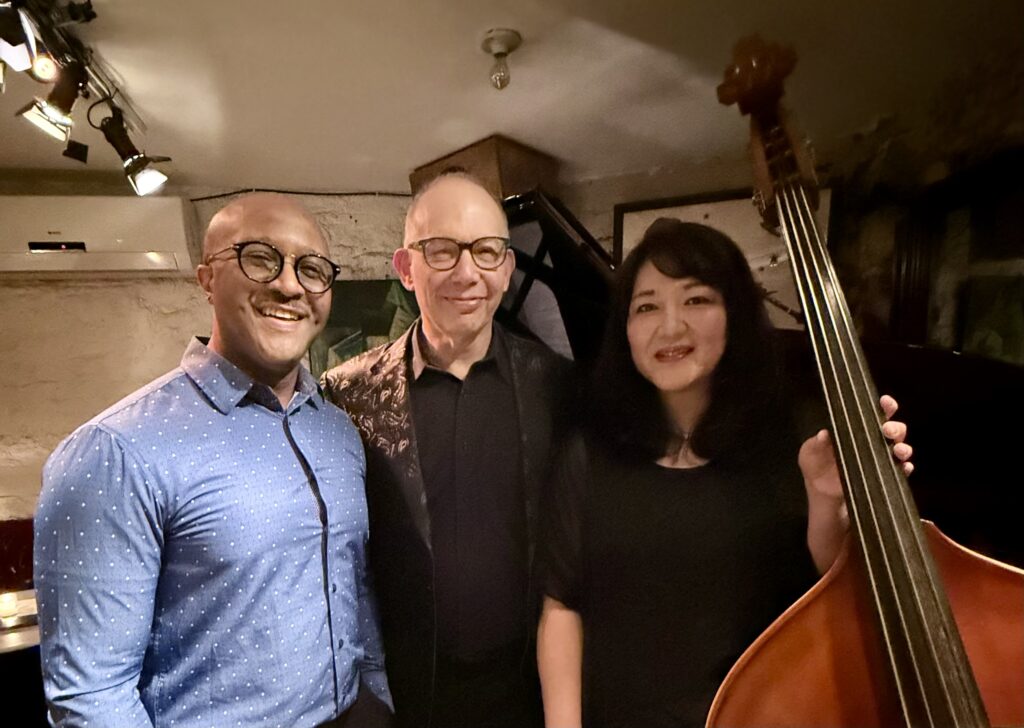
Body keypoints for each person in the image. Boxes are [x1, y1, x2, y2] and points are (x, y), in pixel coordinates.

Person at [536, 219, 913, 728]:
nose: (670, 326)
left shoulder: (795, 437)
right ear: (624, 329)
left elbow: (830, 588)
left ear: (735, 312)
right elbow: (562, 605)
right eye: (646, 306)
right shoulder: (590, 450)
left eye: (696, 300)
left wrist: (827, 500)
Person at [34, 193, 392, 727]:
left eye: (312, 269)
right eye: (260, 258)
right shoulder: (116, 452)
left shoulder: (337, 431)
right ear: (206, 278)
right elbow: (92, 696)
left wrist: (379, 700)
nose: (290, 285)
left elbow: (354, 588)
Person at [322, 172, 570, 728]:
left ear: (506, 267)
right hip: (405, 699)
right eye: (441, 251)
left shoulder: (557, 387)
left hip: (528, 695)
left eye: (486, 251)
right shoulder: (346, 394)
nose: (467, 272)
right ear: (406, 268)